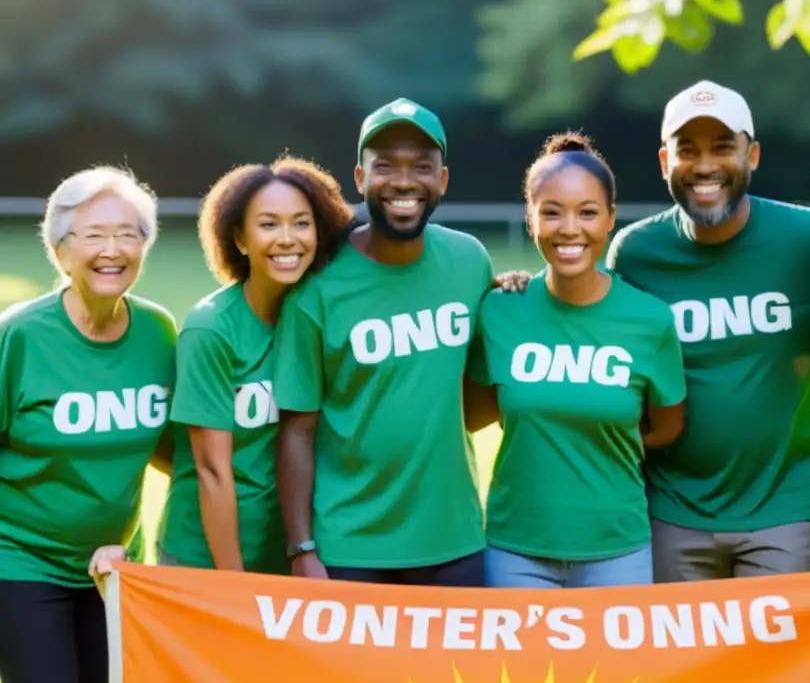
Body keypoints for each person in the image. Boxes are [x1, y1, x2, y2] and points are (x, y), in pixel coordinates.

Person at [605, 79, 810, 583]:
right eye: (687, 150)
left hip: (787, 509)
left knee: (779, 661)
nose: (706, 165)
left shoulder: (809, 239)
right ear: (665, 162)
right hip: (670, 510)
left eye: (723, 148)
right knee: (683, 663)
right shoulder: (635, 254)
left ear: (752, 155)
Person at [272, 98, 496, 587]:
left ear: (443, 179)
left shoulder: (470, 261)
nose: (402, 181)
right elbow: (296, 430)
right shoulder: (318, 287)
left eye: (421, 167)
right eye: (385, 167)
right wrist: (302, 549)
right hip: (350, 547)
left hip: (453, 540)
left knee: (454, 669)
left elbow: (480, 395)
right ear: (359, 177)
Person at [0, 167, 176, 683]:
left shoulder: (158, 332)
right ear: (59, 250)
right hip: (19, 558)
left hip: (111, 566)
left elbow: (175, 452)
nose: (113, 249)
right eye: (94, 235)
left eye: (129, 234)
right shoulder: (20, 336)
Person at [469, 133, 687, 589]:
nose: (570, 228)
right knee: (520, 666)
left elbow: (667, 427)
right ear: (530, 221)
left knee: (621, 666)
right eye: (551, 212)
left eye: (587, 212)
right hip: (515, 548)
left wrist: (592, 444)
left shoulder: (650, 320)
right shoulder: (499, 310)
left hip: (618, 549)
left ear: (610, 219)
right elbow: (475, 415)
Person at [154, 157, 354, 574]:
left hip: (290, 553)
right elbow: (212, 471)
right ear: (240, 240)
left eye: (301, 223)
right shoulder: (211, 328)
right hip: (207, 560)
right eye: (268, 224)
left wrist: (498, 286)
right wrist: (233, 581)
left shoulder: (322, 318)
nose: (288, 239)